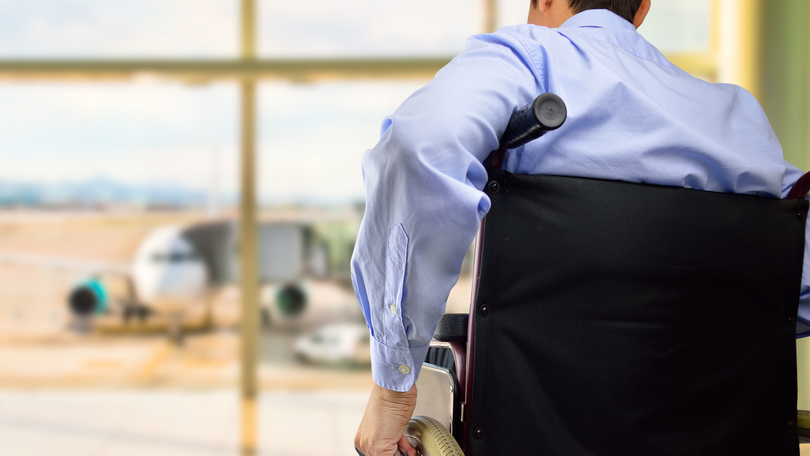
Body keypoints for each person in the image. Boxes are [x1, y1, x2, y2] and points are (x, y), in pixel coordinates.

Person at [351, 0, 810, 455]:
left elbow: (419, 150)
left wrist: (394, 384)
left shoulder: (527, 60)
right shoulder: (738, 117)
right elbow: (792, 290)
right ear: (642, 9)